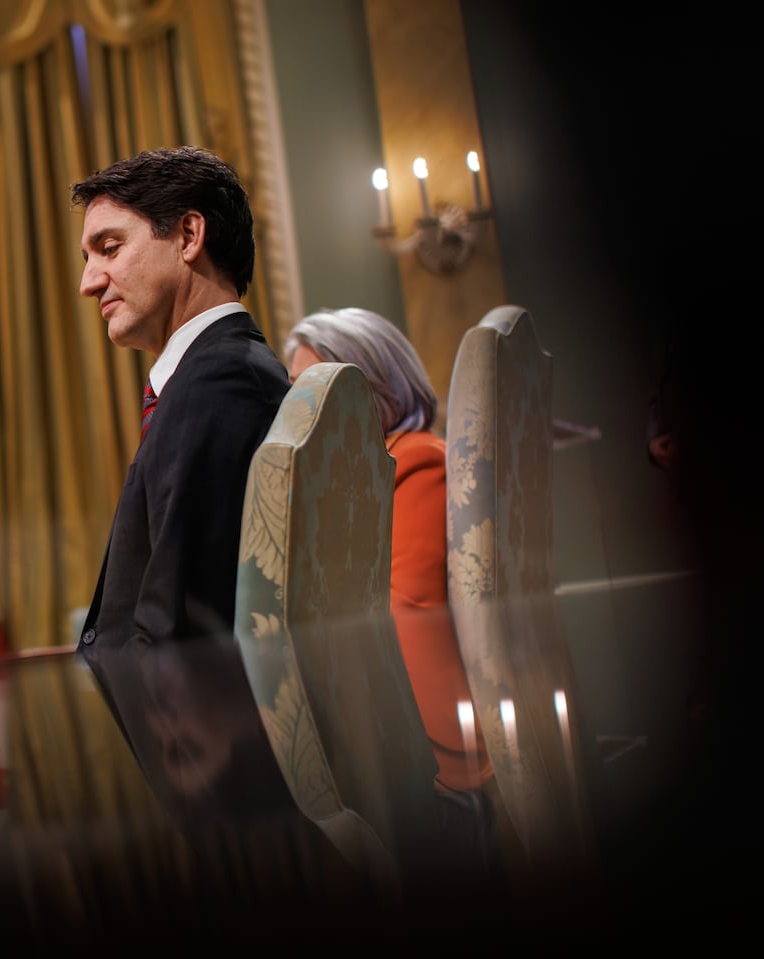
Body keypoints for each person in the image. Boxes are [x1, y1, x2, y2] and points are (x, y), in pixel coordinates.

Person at [284, 308, 497, 862]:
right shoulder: (365, 477)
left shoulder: (416, 460)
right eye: (295, 396)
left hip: (435, 768)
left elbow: (406, 615)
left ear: (374, 386)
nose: (299, 413)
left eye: (317, 391)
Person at [71, 146, 290, 677]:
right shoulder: (219, 372)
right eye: (88, 258)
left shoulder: (218, 382)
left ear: (190, 237)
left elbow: (184, 626)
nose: (88, 282)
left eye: (110, 247)